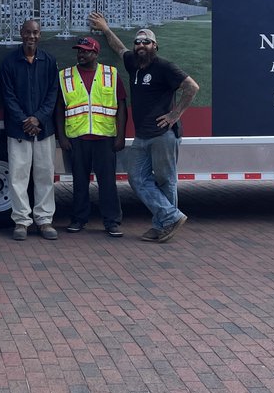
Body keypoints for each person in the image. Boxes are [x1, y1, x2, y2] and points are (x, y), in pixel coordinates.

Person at [89, 14, 198, 243]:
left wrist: (175, 114)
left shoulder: (165, 67)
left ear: (155, 46)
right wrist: (106, 29)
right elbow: (119, 48)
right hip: (142, 136)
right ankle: (170, 216)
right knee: (136, 178)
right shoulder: (133, 64)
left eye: (146, 42)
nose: (140, 45)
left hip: (163, 135)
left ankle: (163, 226)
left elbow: (191, 87)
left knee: (166, 180)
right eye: (137, 42)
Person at [55, 35, 127, 237]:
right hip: (77, 138)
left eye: (86, 51)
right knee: (79, 182)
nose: (81, 54)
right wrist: (62, 136)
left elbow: (121, 106)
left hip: (104, 138)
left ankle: (111, 221)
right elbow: (59, 107)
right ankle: (79, 219)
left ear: (96, 53)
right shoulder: (66, 75)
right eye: (79, 51)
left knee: (107, 183)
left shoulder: (111, 74)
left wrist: (120, 136)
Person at [0, 19, 59, 240]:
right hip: (18, 129)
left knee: (44, 175)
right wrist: (25, 120)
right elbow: (8, 96)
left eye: (35, 33)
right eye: (27, 32)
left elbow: (53, 94)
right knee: (18, 176)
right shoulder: (10, 62)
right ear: (21, 33)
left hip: (44, 129)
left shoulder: (49, 61)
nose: (31, 36)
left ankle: (44, 221)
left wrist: (38, 118)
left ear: (39, 35)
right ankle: (21, 221)